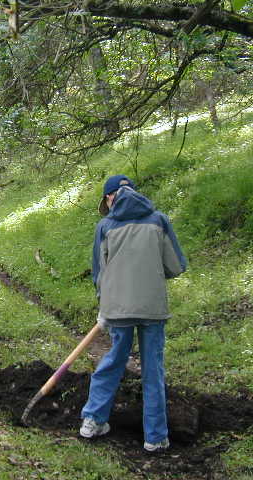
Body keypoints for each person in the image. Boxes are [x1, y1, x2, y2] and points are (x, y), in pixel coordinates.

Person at [80, 174, 187, 453]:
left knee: (114, 361)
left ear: (109, 197)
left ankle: (92, 420)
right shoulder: (158, 220)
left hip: (116, 308)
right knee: (153, 369)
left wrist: (104, 304)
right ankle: (155, 437)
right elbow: (176, 266)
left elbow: (98, 273)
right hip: (152, 308)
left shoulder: (105, 226)